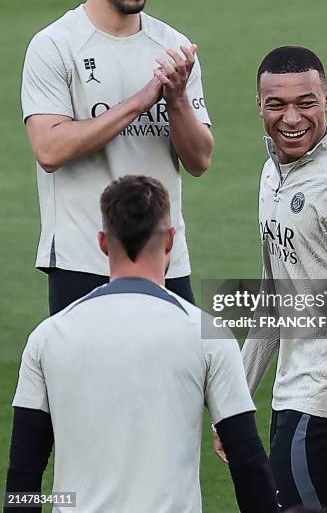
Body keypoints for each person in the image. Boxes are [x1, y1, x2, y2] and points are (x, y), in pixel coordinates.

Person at [5, 175, 278, 513]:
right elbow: (247, 460)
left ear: (104, 242)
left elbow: (24, 474)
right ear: (170, 241)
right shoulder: (207, 336)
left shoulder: (49, 336)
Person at [215, 46, 327, 512]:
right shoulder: (274, 172)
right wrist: (233, 403)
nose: (291, 118)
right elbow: (275, 299)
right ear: (259, 105)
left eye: (306, 102)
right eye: (276, 104)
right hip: (292, 392)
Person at [21, 0, 213, 313]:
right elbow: (50, 150)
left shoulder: (173, 47)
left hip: (164, 257)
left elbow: (199, 160)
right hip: (83, 259)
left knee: (176, 376)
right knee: (89, 378)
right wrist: (141, 101)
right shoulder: (56, 46)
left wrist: (176, 99)